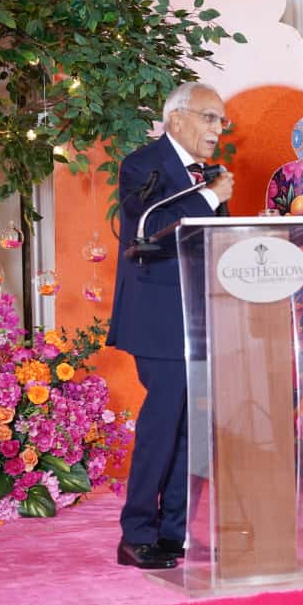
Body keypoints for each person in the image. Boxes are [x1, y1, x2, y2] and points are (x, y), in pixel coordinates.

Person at [108, 82, 235, 569]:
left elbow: (213, 240)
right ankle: (136, 533)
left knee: (190, 426)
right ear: (177, 119)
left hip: (201, 313)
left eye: (221, 120)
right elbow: (149, 230)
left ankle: (173, 534)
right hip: (158, 315)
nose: (217, 128)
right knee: (163, 422)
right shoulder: (143, 165)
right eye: (209, 117)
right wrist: (210, 200)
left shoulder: (211, 175)